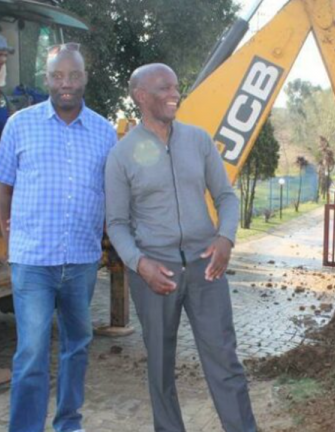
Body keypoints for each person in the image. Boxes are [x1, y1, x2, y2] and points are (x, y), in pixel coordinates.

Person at [105, 63, 257, 432]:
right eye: (164, 89)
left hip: (207, 267)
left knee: (224, 358)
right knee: (160, 365)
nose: (175, 94)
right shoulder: (122, 155)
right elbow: (117, 224)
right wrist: (140, 264)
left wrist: (226, 238)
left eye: (176, 87)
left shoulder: (199, 141)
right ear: (141, 97)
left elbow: (225, 196)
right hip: (156, 273)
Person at [0, 44, 116, 432]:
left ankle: (68, 425)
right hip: (34, 262)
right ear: (47, 80)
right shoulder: (19, 125)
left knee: (77, 346)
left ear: (84, 80)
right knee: (31, 353)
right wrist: (10, 230)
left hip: (80, 260)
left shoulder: (105, 132)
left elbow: (112, 192)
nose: (66, 84)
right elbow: (3, 187)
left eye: (73, 76)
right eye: (58, 76)